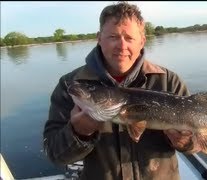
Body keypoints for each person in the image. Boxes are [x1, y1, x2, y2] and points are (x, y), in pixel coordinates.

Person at [43, 2, 199, 180]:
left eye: (129, 38)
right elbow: (54, 154)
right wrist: (78, 133)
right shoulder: (72, 85)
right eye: (113, 36)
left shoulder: (169, 82)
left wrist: (186, 142)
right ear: (99, 38)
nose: (121, 45)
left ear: (142, 41)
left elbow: (198, 143)